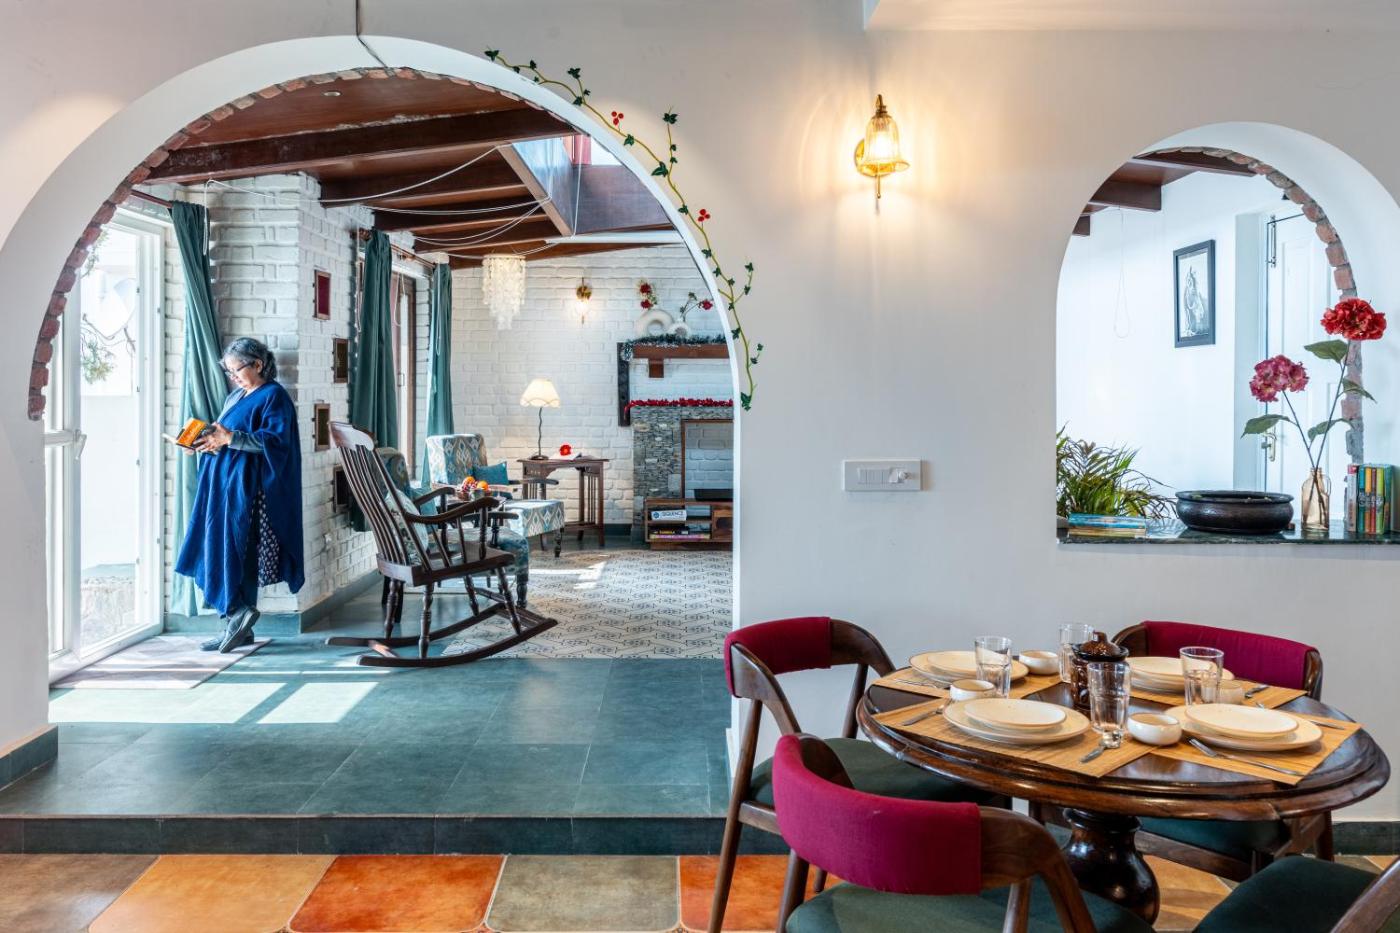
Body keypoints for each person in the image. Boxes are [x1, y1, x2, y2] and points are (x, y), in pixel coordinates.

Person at [175, 337, 304, 652]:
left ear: (257, 364)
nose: (232, 377)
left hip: (246, 489)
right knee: (220, 547)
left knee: (237, 550)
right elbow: (224, 435)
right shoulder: (235, 396)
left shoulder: (273, 396)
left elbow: (275, 442)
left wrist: (230, 438)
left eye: (237, 370)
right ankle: (237, 625)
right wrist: (204, 441)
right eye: (229, 371)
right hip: (222, 484)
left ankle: (238, 613)